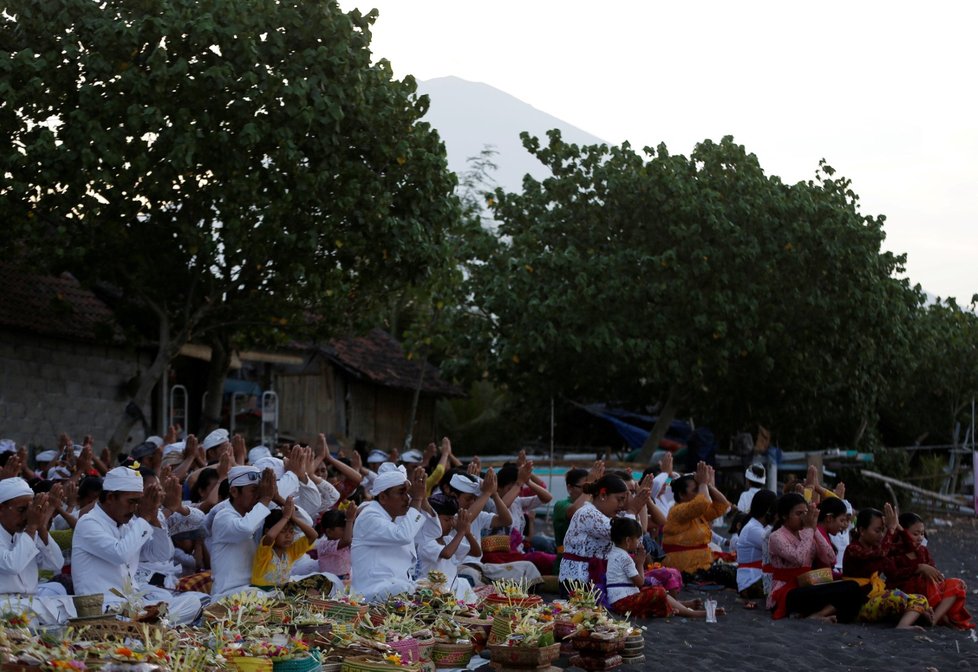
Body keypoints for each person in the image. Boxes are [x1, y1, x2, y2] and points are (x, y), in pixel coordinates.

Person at [72, 466, 205, 624]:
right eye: (131, 502)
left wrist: (155, 518)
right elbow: (120, 554)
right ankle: (150, 625)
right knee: (156, 613)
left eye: (138, 502)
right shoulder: (88, 523)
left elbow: (162, 554)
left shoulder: (127, 525)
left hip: (132, 607)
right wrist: (145, 517)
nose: (134, 508)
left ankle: (148, 624)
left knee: (192, 602)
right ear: (110, 498)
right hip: (103, 610)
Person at [766, 493, 863, 622]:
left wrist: (814, 528)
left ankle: (819, 615)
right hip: (786, 592)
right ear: (785, 515)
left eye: (805, 513)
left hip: (807, 586)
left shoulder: (807, 532)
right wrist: (808, 529)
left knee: (853, 586)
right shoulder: (776, 537)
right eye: (798, 514)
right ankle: (816, 616)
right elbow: (799, 558)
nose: (803, 517)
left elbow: (830, 558)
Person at [350, 463, 433, 602]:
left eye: (408, 493)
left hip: (396, 589)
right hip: (370, 593)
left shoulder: (397, 515)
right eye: (401, 492)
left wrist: (422, 498)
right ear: (383, 497)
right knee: (404, 589)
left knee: (436, 587)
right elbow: (403, 536)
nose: (407, 498)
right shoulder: (369, 516)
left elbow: (434, 531)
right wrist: (417, 499)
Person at [842, 505, 934, 629]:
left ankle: (904, 624)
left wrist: (897, 526)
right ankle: (912, 618)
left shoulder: (877, 548)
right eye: (877, 530)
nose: (881, 535)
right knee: (897, 598)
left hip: (877, 597)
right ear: (862, 531)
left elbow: (908, 546)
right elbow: (881, 553)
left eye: (882, 531)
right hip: (859, 604)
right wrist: (890, 530)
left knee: (921, 599)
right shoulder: (853, 549)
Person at [605, 516, 713, 619]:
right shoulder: (624, 558)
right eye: (637, 540)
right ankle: (688, 613)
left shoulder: (614, 552)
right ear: (628, 541)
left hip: (618, 601)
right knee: (659, 591)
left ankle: (679, 606)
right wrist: (640, 562)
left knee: (652, 591)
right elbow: (640, 582)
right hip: (623, 603)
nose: (639, 543)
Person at [0, 478, 75, 625]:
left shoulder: (27, 533)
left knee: (69, 603)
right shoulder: (28, 532)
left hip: (30, 604)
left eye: (30, 510)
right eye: (22, 510)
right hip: (4, 606)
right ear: (1, 509)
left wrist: (40, 525)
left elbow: (55, 564)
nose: (27, 516)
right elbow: (12, 565)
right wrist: (32, 526)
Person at [558, 474, 649, 587]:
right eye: (619, 499)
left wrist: (635, 508)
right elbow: (626, 536)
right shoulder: (587, 514)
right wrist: (632, 510)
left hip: (603, 578)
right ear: (603, 495)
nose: (621, 505)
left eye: (623, 500)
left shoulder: (615, 515)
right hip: (578, 582)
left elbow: (636, 541)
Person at [890, 512, 973, 629]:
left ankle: (935, 618)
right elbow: (893, 575)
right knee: (925, 582)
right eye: (915, 534)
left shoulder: (923, 551)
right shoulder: (895, 552)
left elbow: (933, 571)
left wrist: (936, 575)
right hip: (908, 593)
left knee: (957, 584)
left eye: (922, 534)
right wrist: (918, 568)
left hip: (930, 590)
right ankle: (938, 616)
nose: (920, 538)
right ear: (903, 534)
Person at [661, 462, 734, 586]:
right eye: (696, 489)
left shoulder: (698, 511)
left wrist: (709, 485)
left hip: (701, 564)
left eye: (699, 488)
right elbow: (702, 503)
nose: (699, 492)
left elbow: (723, 506)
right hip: (685, 568)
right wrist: (703, 483)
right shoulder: (677, 511)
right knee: (732, 574)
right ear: (682, 494)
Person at [209, 465, 277, 597]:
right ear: (234, 492)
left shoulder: (257, 513)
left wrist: (277, 497)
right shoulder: (223, 516)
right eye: (254, 490)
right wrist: (266, 499)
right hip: (227, 595)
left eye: (261, 491)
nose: (259, 495)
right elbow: (246, 528)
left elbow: (305, 522)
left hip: (253, 590)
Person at [251, 496, 319, 588]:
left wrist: (293, 518)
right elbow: (270, 536)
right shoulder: (265, 552)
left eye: (291, 531)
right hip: (262, 594)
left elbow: (313, 535)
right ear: (267, 530)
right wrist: (286, 517)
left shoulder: (290, 552)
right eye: (282, 531)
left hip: (281, 592)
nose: (288, 536)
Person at [735, 488, 777, 600]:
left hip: (758, 578)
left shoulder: (761, 526)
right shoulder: (753, 529)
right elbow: (779, 549)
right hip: (751, 583)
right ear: (768, 510)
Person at [316, 508, 355, 580]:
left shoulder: (344, 543)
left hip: (345, 580)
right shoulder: (324, 545)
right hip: (330, 583)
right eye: (343, 529)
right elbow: (347, 540)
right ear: (329, 532)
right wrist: (349, 520)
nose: (347, 532)